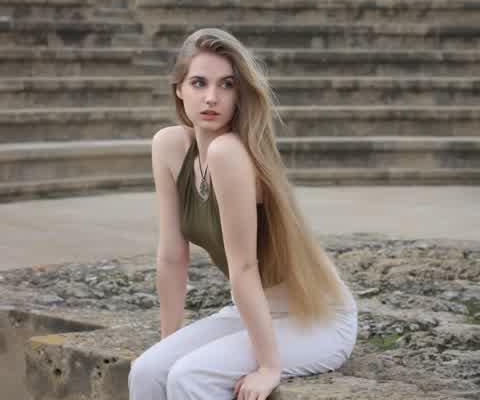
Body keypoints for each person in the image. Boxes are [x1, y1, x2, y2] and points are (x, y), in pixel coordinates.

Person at [128, 28, 357, 400]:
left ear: (240, 94)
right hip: (254, 310)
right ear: (179, 89)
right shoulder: (169, 146)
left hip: (317, 318)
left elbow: (245, 268)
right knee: (148, 371)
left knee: (189, 377)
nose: (211, 97)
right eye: (199, 83)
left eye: (227, 84)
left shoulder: (229, 152)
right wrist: (168, 344)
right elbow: (171, 256)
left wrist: (268, 367)